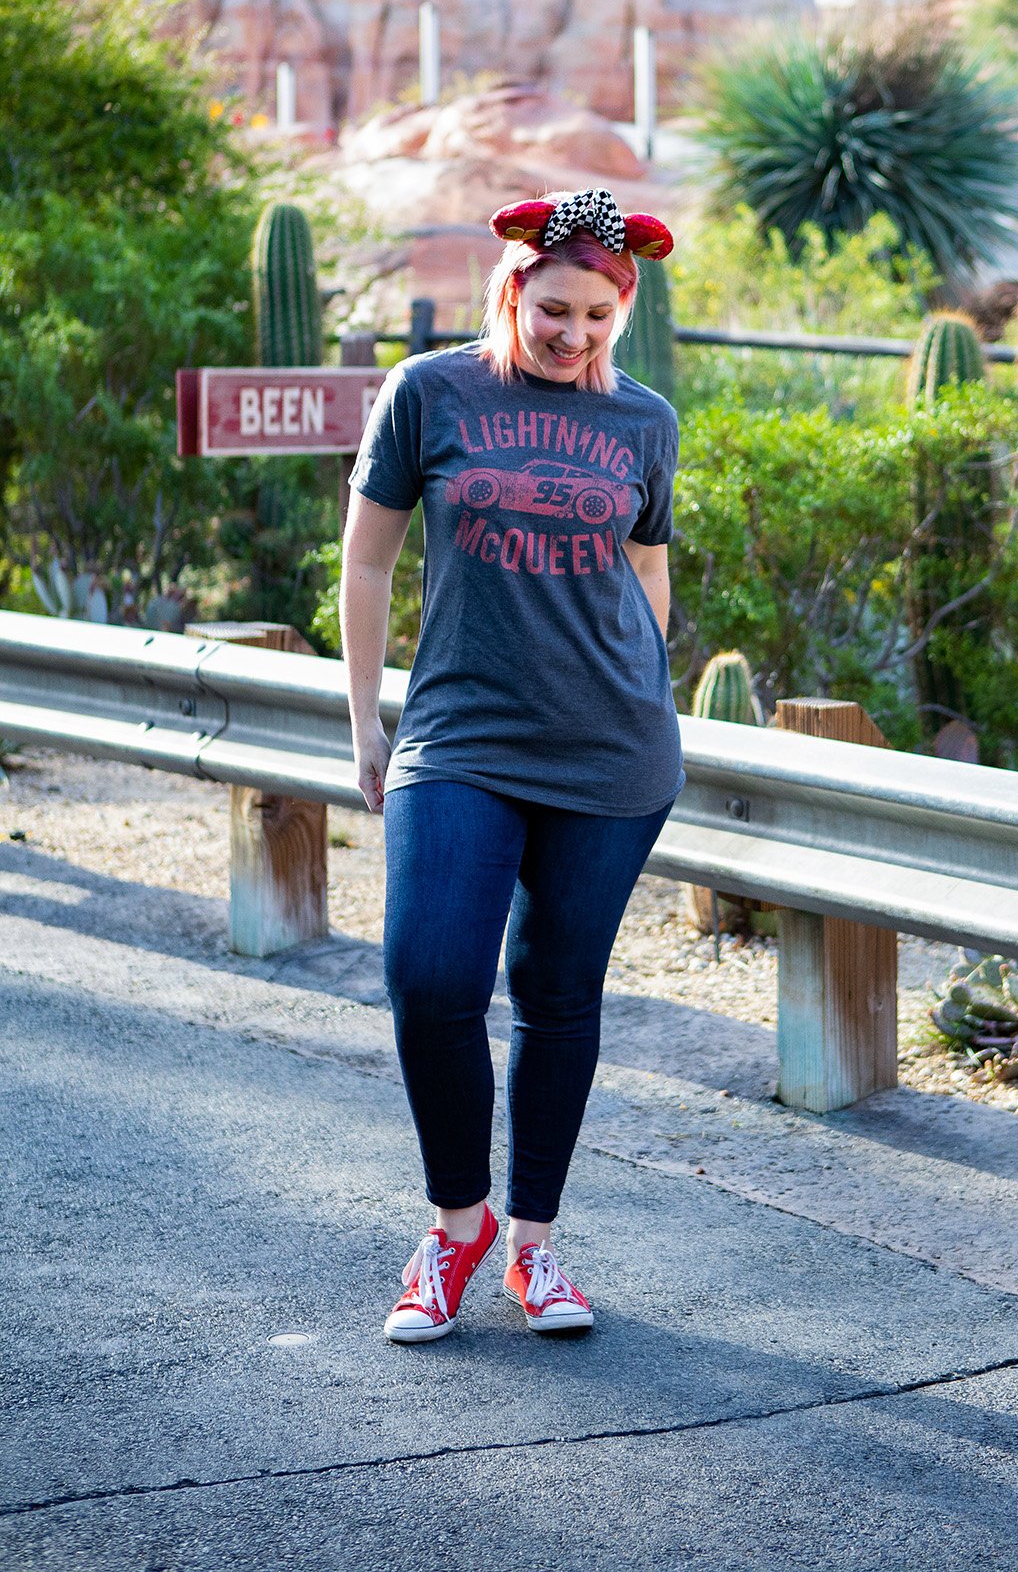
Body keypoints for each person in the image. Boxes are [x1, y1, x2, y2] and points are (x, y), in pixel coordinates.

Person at [341, 187, 681, 1344]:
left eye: (596, 316)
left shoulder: (644, 421)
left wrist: (649, 692)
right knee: (432, 980)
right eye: (554, 309)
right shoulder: (431, 392)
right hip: (459, 736)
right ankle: (457, 1227)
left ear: (618, 314)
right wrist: (366, 724)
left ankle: (535, 1248)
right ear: (513, 290)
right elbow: (371, 567)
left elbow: (646, 575)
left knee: (556, 995)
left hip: (612, 749)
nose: (572, 334)